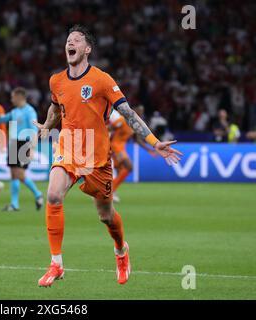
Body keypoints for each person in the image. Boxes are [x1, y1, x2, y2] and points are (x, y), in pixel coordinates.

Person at [33, 25, 182, 287]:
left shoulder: (102, 80)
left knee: (106, 215)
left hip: (97, 157)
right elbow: (56, 109)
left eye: (76, 40)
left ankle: (121, 250)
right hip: (67, 149)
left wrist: (154, 141)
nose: (71, 43)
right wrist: (46, 126)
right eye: (68, 40)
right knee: (54, 194)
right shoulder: (56, 80)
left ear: (87, 49)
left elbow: (128, 114)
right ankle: (56, 263)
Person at [0, 87, 44, 212]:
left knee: (20, 174)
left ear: (19, 97)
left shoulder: (30, 111)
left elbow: (34, 130)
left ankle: (38, 194)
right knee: (13, 175)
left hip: (24, 144)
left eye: (12, 97)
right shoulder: (15, 111)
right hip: (14, 143)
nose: (11, 99)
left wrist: (32, 148)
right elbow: (0, 119)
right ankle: (14, 204)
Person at [108, 109, 156, 202]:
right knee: (129, 167)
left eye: (142, 113)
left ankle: (108, 191)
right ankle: (110, 190)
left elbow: (137, 140)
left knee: (120, 170)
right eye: (139, 113)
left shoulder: (134, 125)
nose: (141, 115)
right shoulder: (122, 121)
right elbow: (107, 128)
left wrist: (149, 150)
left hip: (121, 148)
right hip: (115, 147)